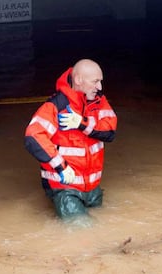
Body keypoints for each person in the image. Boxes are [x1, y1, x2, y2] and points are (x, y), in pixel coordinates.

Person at [24, 59, 117, 221]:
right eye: (95, 81)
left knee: (101, 223)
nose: (100, 87)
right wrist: (61, 166)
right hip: (66, 187)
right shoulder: (56, 105)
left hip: (93, 188)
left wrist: (81, 123)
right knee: (81, 229)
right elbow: (33, 136)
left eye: (101, 81)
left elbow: (109, 132)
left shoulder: (98, 101)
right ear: (78, 80)